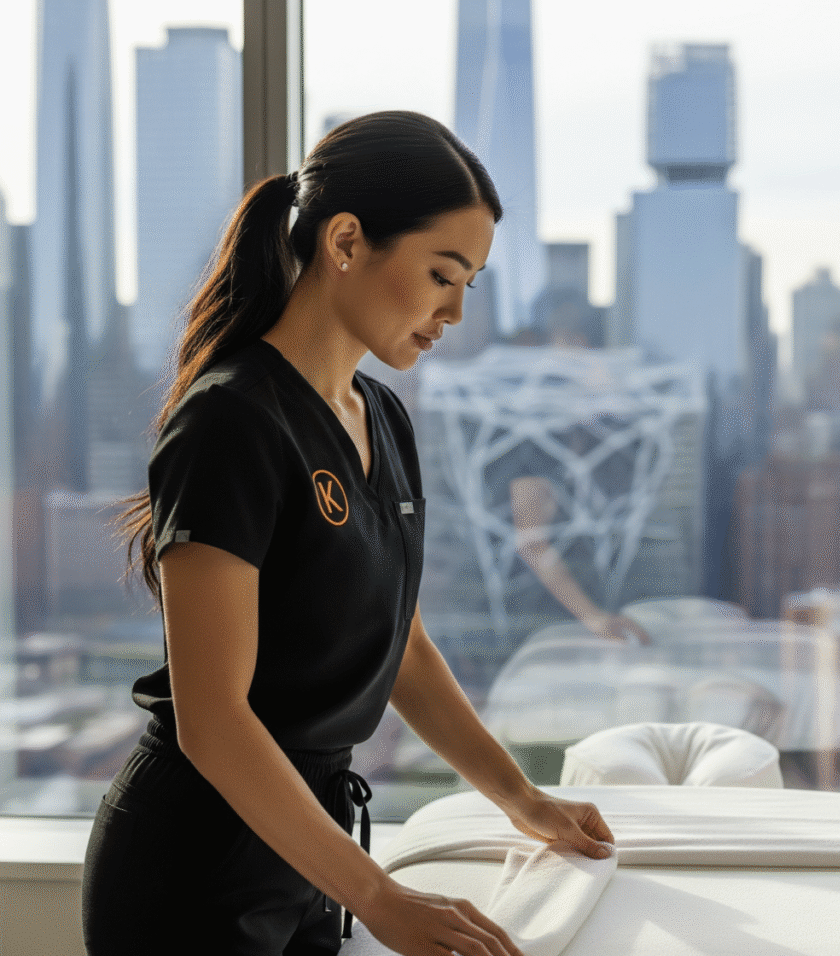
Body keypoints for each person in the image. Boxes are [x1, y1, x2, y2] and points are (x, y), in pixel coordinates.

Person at [82, 111, 614, 956]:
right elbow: (212, 721)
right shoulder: (231, 420)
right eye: (444, 273)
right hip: (196, 865)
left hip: (311, 851)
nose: (456, 311)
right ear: (346, 241)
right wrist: (381, 900)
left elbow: (399, 646)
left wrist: (524, 800)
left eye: (471, 281)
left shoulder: (384, 419)